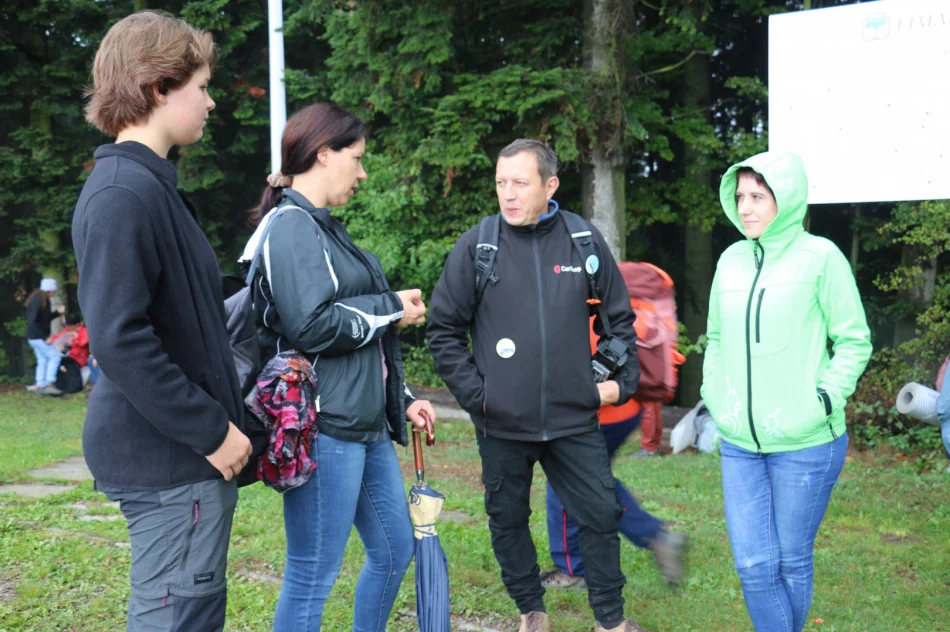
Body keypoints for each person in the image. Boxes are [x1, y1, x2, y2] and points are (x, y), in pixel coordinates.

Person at [72, 11, 251, 631]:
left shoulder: (151, 188)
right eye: (200, 86)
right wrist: (212, 431)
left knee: (192, 612)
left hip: (179, 457)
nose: (210, 101)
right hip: (169, 457)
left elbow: (186, 314)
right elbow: (121, 341)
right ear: (158, 88)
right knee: (178, 616)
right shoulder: (123, 194)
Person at [427, 139, 648, 632]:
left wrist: (614, 385)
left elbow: (620, 324)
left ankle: (610, 621)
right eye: (501, 183)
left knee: (600, 514)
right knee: (507, 519)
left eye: (520, 183)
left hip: (573, 420)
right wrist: (479, 397)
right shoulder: (479, 246)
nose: (508, 194)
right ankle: (532, 609)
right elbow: (442, 330)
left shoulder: (582, 241)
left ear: (550, 186)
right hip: (502, 423)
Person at [242, 102, 435, 632]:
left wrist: (404, 397)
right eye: (357, 157)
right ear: (324, 153)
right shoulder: (291, 228)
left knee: (396, 551)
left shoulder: (327, 229)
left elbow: (364, 342)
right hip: (322, 430)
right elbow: (313, 327)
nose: (363, 171)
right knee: (311, 575)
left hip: (364, 428)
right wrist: (392, 306)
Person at [701, 151, 872, 632]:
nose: (746, 207)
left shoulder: (821, 257)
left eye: (758, 196)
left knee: (792, 561)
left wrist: (822, 400)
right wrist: (714, 392)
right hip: (740, 444)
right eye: (740, 197)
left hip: (807, 441)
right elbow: (714, 337)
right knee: (754, 567)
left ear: (787, 199)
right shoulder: (730, 259)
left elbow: (854, 339)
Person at [542, 317, 686, 590]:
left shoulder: (565, 296)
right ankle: (656, 536)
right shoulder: (606, 294)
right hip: (624, 405)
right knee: (591, 481)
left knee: (566, 483)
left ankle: (572, 570)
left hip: (596, 413)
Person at [25, 278, 65, 395]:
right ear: (49, 290)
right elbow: (32, 322)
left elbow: (44, 319)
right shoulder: (37, 301)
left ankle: (40, 386)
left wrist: (57, 313)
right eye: (53, 291)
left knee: (42, 360)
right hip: (38, 337)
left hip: (34, 337)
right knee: (55, 356)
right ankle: (50, 384)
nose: (54, 293)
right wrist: (44, 337)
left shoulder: (43, 300)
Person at [48, 314, 90, 394]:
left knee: (68, 366)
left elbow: (83, 343)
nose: (68, 328)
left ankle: (73, 387)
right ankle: (60, 387)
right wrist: (55, 341)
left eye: (70, 326)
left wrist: (76, 336)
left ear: (77, 325)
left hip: (79, 358)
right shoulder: (67, 330)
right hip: (67, 356)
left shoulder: (84, 331)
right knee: (59, 365)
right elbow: (56, 338)